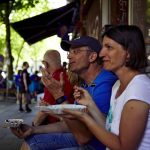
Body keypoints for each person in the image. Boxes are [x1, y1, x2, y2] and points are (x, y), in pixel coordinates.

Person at [11, 36, 117, 150]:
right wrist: (34, 129)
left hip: (94, 146)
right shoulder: (85, 85)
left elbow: (84, 137)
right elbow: (72, 125)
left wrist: (59, 95)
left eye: (75, 51)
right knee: (32, 139)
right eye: (69, 52)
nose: (69, 56)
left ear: (92, 56)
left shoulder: (105, 84)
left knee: (32, 144)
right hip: (83, 140)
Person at [62, 25, 150, 150]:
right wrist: (90, 104)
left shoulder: (139, 89)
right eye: (103, 47)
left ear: (128, 53)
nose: (101, 53)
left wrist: (84, 117)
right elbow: (108, 128)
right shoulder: (117, 85)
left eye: (109, 47)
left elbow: (124, 148)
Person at [32, 50, 74, 125]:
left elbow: (44, 111)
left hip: (58, 124)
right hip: (71, 122)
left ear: (45, 64)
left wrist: (33, 125)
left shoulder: (52, 81)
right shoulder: (68, 75)